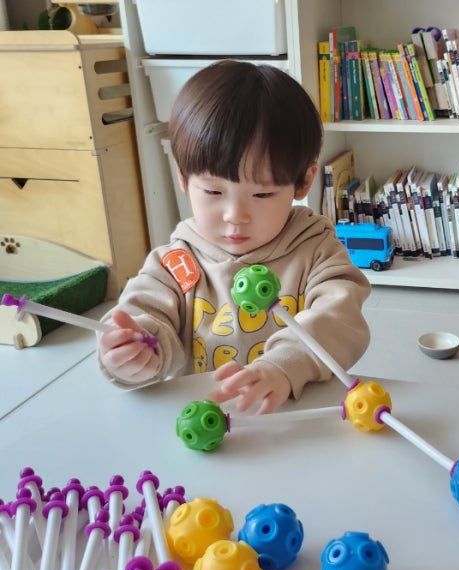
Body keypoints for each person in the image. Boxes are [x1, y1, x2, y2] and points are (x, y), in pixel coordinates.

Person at [98, 60, 371, 414]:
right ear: (183, 177)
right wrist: (136, 351)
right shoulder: (176, 262)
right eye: (213, 192)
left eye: (262, 194)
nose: (235, 215)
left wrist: (283, 365)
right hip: (207, 424)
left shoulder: (317, 251)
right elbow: (144, 315)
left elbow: (341, 320)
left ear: (303, 182)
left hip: (294, 418)